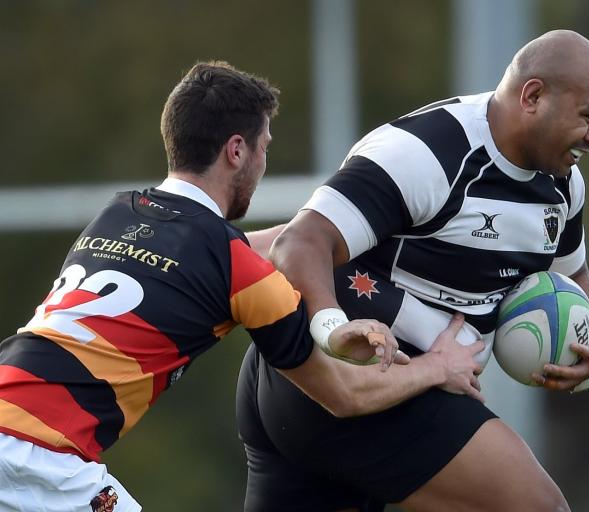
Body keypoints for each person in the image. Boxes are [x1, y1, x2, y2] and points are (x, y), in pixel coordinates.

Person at [0, 61, 486, 511]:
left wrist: (346, 230)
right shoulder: (240, 272)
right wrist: (437, 367)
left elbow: (222, 252)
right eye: (264, 148)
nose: (262, 163)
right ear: (237, 150)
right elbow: (345, 396)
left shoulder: (118, 214)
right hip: (39, 457)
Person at [236, 29, 589, 511]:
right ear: (533, 96)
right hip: (358, 382)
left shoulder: (564, 186)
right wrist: (335, 332)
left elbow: (574, 278)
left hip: (341, 395)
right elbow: (299, 244)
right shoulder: (427, 152)